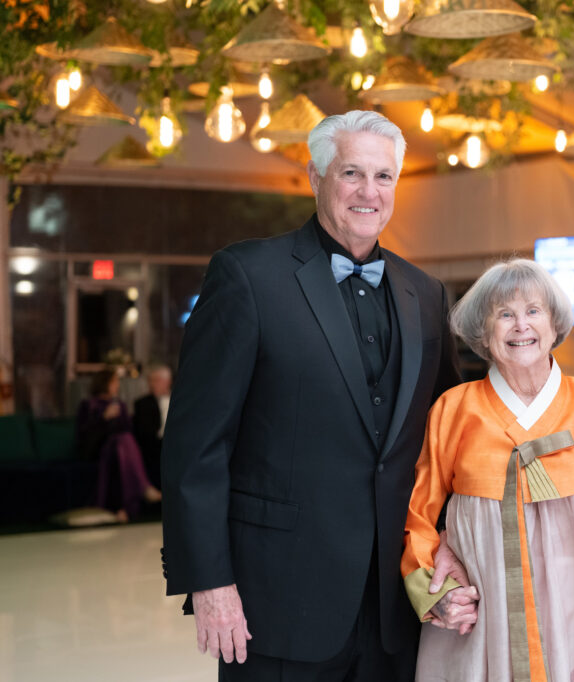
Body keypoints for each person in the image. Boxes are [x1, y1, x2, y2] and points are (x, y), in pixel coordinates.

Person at [161, 111, 463, 680]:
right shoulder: (247, 275)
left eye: (384, 176)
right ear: (315, 176)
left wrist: (449, 548)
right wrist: (209, 580)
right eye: (352, 173)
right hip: (274, 599)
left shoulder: (425, 292)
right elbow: (195, 446)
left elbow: (445, 441)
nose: (369, 192)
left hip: (397, 604)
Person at [403, 258, 574, 682]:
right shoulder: (453, 411)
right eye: (504, 314)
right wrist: (436, 591)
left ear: (554, 323)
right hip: (483, 631)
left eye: (533, 311)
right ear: (484, 333)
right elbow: (417, 514)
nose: (520, 326)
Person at [75, 368, 161, 522]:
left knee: (123, 443)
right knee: (122, 442)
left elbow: (127, 429)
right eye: (114, 382)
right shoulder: (89, 404)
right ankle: (141, 490)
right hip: (98, 447)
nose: (117, 386)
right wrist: (103, 418)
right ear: (104, 383)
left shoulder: (119, 404)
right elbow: (84, 434)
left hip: (120, 450)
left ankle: (125, 509)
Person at [133, 364, 172, 489]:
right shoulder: (142, 403)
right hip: (155, 446)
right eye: (150, 380)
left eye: (156, 380)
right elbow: (144, 432)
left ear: (167, 381)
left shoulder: (179, 400)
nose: (151, 384)